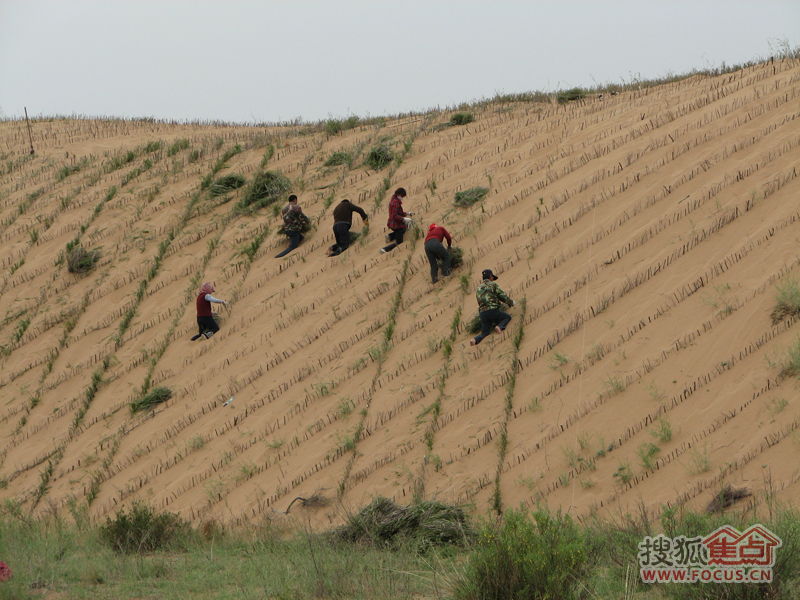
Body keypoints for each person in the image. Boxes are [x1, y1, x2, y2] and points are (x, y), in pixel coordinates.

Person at [470, 269, 516, 346]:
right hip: (493, 310)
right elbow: (501, 296)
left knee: (485, 332)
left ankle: (474, 340)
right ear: (490, 276)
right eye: (492, 277)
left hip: (483, 313)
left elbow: (479, 300)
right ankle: (499, 327)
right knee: (507, 317)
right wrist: (511, 303)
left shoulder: (478, 288)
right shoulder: (493, 284)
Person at [380, 187, 413, 253]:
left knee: (403, 230)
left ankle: (390, 236)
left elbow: (397, 212)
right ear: (398, 194)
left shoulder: (393, 201)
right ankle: (385, 249)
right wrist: (403, 219)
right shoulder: (396, 203)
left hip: (392, 223)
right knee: (399, 242)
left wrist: (406, 213)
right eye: (402, 196)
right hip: (397, 225)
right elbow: (395, 216)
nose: (402, 198)